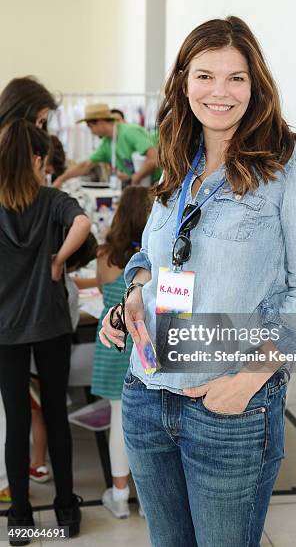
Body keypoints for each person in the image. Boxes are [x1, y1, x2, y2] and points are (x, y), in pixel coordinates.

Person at [100, 16, 296, 547]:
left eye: (236, 77)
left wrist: (247, 381)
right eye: (205, 75)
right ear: (184, 81)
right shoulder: (180, 157)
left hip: (228, 404)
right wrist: (135, 291)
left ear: (257, 85)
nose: (220, 92)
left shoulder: (291, 166)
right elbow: (155, 253)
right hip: (147, 391)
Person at [0, 118, 90, 544]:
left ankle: (20, 519)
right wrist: (58, 262)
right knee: (56, 414)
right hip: (51, 322)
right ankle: (65, 511)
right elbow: (84, 225)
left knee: (16, 421)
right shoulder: (53, 199)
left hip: (4, 328)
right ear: (37, 159)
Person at [91, 186, 151, 519]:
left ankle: (118, 494)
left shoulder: (105, 256)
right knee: (145, 424)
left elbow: (102, 289)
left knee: (119, 418)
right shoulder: (155, 256)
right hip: (144, 342)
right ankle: (145, 498)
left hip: (114, 342)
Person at [29, 233, 98, 484]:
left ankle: (37, 463)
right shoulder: (68, 290)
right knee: (44, 414)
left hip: (28, 358)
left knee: (38, 413)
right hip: (52, 360)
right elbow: (71, 325)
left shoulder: (38, 274)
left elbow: (72, 280)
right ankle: (38, 462)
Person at [52, 103, 159, 187]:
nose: (91, 132)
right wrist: (61, 179)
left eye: (90, 127)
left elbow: (153, 158)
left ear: (100, 122)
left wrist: (135, 178)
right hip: (140, 187)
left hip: (157, 185)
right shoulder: (107, 143)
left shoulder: (130, 132)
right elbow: (86, 165)